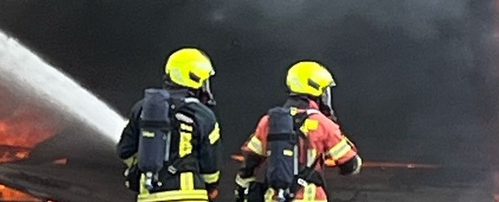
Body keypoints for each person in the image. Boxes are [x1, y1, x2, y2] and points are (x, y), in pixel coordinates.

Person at [234, 61, 362, 202]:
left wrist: (242, 187)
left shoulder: (269, 120)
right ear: (317, 89)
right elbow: (350, 165)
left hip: (274, 197)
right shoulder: (323, 124)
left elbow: (250, 161)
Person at [117, 47, 223, 202]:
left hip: (148, 196)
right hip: (189, 195)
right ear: (194, 78)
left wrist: (146, 165)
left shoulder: (143, 108)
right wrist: (210, 186)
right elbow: (210, 164)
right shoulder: (203, 115)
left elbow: (124, 151)